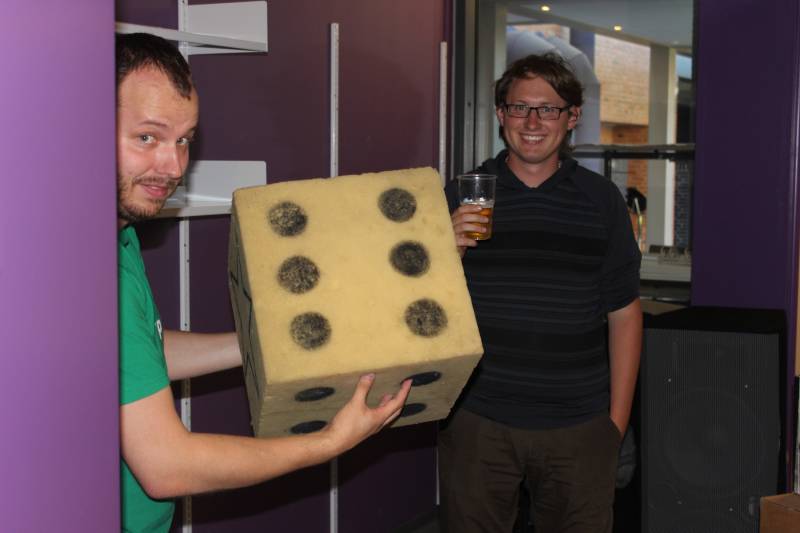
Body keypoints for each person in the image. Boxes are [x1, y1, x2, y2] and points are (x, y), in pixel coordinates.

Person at [116, 33, 412, 532]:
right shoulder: (89, 273)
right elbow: (167, 467)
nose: (173, 167)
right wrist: (330, 442)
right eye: (147, 137)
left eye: (184, 140)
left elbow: (139, 353)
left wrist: (262, 342)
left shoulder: (119, 237)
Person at [439, 53, 642, 533]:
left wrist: (613, 425)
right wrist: (448, 253)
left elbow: (625, 314)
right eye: (519, 107)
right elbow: (424, 311)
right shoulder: (462, 196)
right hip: (478, 419)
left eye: (548, 109)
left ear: (572, 118)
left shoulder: (601, 200)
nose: (532, 122)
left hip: (579, 424)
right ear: (500, 114)